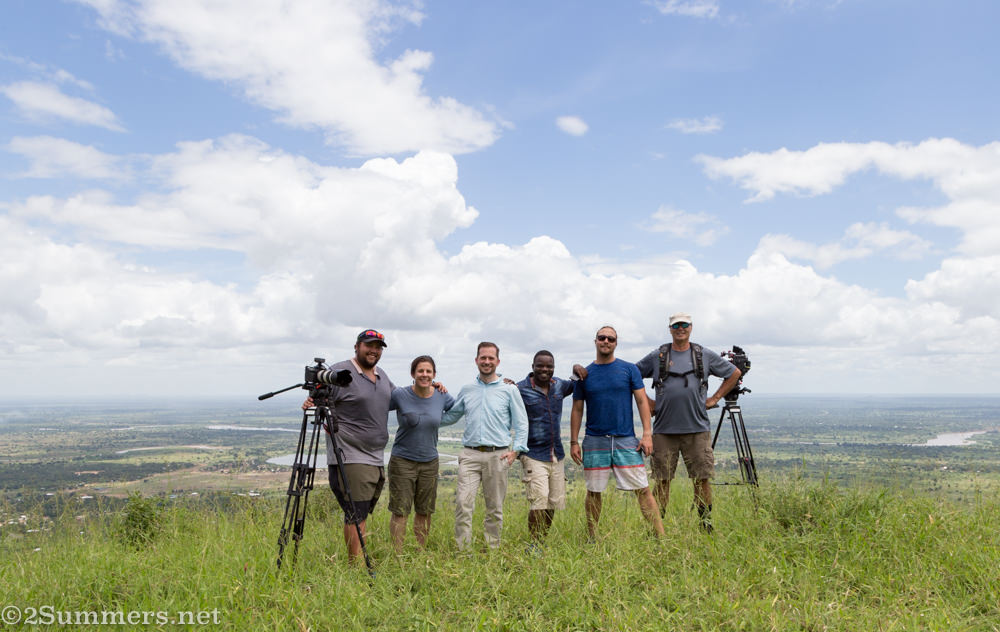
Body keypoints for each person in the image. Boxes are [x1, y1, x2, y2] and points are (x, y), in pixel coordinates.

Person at [636, 312, 741, 533]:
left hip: (697, 429)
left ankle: (706, 526)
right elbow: (631, 376)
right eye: (676, 325)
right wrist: (647, 401)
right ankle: (657, 530)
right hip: (664, 430)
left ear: (691, 327)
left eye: (684, 325)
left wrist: (714, 399)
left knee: (702, 480)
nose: (680, 328)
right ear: (670, 329)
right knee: (662, 481)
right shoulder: (659, 356)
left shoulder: (703, 355)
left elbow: (734, 373)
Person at [302, 328, 394, 563]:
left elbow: (395, 398)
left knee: (361, 512)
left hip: (374, 456)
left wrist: (431, 387)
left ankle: (359, 560)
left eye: (378, 347)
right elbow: (319, 396)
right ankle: (356, 566)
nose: (373, 350)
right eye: (369, 345)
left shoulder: (381, 375)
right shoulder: (341, 372)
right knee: (355, 513)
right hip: (349, 455)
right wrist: (312, 400)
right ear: (357, 346)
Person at [570, 326, 664, 539]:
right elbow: (577, 408)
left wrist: (647, 434)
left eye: (610, 338)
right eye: (602, 338)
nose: (606, 341)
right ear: (595, 341)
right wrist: (574, 441)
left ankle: (660, 537)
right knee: (593, 491)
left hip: (625, 439)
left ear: (616, 342)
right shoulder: (584, 374)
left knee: (643, 488)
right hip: (595, 440)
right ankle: (592, 537)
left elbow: (641, 401)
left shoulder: (629, 370)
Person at [442, 342, 529, 550]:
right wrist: (423, 415)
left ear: (498, 361)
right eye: (483, 358)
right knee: (463, 504)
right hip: (470, 454)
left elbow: (522, 423)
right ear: (476, 360)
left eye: (491, 358)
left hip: (497, 455)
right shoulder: (467, 390)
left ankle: (492, 550)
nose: (487, 361)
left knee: (495, 508)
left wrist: (516, 450)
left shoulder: (509, 390)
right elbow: (452, 416)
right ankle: (463, 552)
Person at [387, 355, 457, 552]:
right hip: (402, 460)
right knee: (400, 512)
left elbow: (457, 410)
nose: (424, 374)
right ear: (413, 374)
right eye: (420, 371)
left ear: (434, 375)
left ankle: (420, 552)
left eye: (428, 371)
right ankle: (398, 555)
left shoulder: (441, 395)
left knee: (425, 511)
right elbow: (377, 406)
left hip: (429, 461)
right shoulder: (400, 394)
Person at [514, 350, 576, 542]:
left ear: (554, 368)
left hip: (556, 453)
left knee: (552, 502)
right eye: (540, 365)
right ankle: (534, 544)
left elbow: (575, 382)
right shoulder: (519, 389)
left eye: (549, 366)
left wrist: (577, 368)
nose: (545, 369)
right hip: (533, 453)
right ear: (532, 367)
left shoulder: (559, 386)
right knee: (539, 500)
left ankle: (542, 540)